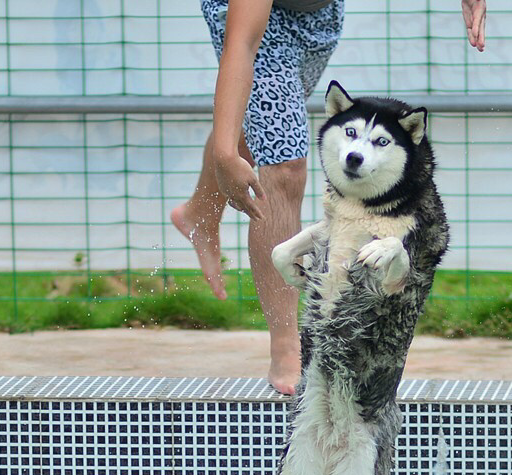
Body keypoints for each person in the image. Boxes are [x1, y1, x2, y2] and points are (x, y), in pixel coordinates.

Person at [172, 0, 488, 395]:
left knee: (265, 116)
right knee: (283, 161)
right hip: (253, 16)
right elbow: (243, 45)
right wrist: (222, 154)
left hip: (318, 16)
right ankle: (287, 345)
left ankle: (199, 210)